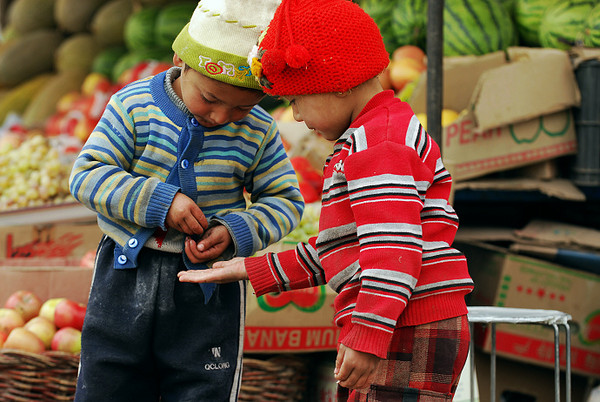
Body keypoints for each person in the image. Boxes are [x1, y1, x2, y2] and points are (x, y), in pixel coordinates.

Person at [178, 0, 475, 400]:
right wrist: (253, 269)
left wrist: (367, 335)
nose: (297, 116)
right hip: (398, 317)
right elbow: (348, 247)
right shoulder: (376, 133)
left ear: (338, 83)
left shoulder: (377, 145)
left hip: (406, 324)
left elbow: (392, 251)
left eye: (297, 99)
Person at [68, 0, 304, 400]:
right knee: (109, 380)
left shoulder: (259, 130)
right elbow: (88, 175)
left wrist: (235, 230)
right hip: (127, 273)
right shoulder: (133, 106)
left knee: (203, 386)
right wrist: (160, 201)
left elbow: (285, 200)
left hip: (210, 287)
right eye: (210, 99)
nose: (222, 116)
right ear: (182, 61)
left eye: (243, 106)